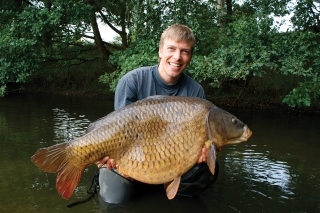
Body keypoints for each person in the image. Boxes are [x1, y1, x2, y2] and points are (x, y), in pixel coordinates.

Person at [96, 23, 219, 203]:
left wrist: (202, 154)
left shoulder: (195, 93)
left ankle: (172, 191)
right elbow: (119, 134)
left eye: (185, 51)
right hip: (131, 159)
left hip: (171, 161)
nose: (177, 57)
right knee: (114, 200)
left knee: (209, 169)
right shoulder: (132, 81)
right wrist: (112, 158)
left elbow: (199, 142)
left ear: (190, 57)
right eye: (171, 48)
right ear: (160, 51)